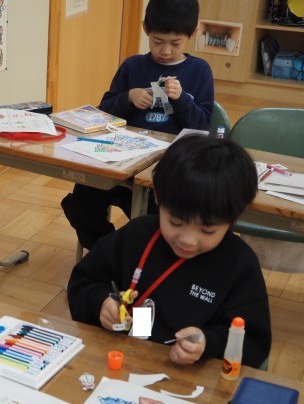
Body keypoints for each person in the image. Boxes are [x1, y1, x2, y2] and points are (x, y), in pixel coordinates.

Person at [67, 135, 271, 369]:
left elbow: (254, 343)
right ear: (157, 196)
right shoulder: (137, 235)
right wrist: (100, 303)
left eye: (207, 230)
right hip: (123, 363)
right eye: (175, 222)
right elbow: (83, 281)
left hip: (190, 378)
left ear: (235, 216)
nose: (188, 240)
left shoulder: (239, 264)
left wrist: (208, 342)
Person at [61, 0, 214, 250]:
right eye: (157, 41)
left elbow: (202, 126)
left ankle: (135, 255)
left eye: (175, 43)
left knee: (157, 222)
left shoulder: (199, 71)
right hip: (117, 161)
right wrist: (128, 98)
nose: (165, 51)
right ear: (145, 29)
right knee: (81, 205)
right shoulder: (133, 66)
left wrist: (182, 100)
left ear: (193, 33)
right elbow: (103, 112)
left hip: (163, 172)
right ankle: (108, 252)